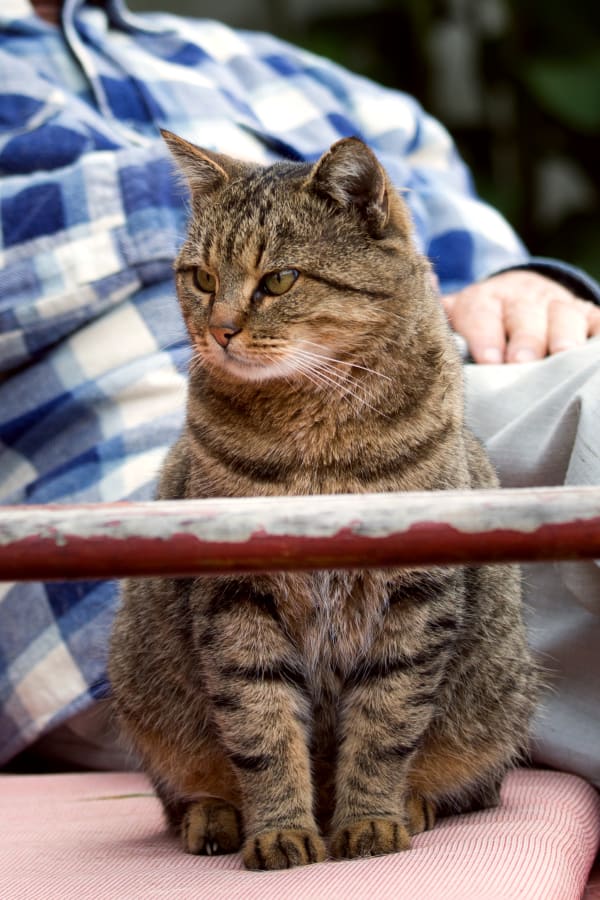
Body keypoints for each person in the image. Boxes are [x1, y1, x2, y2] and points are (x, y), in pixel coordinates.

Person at [1, 0, 599, 783]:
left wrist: (522, 280)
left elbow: (428, 230)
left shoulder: (256, 60)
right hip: (151, 492)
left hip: (414, 386)